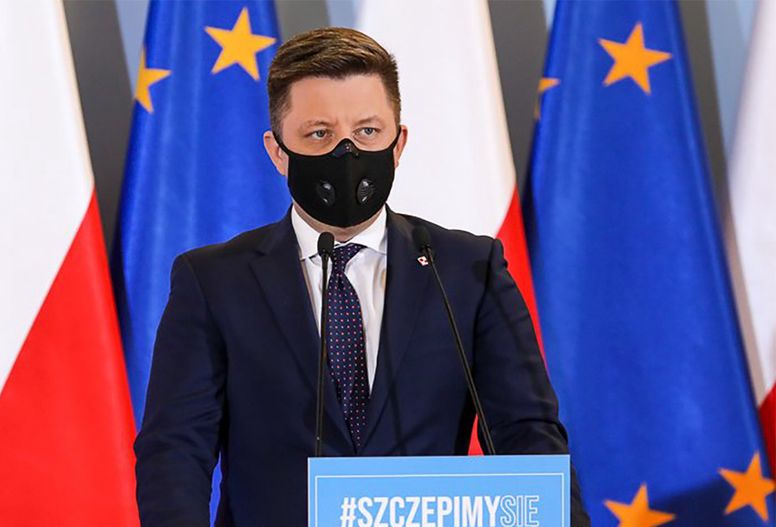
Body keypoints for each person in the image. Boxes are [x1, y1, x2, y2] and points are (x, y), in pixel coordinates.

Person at [134, 27, 590, 526]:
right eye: (319, 134)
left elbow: (528, 435)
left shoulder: (467, 269)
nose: (346, 152)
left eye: (368, 131)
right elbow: (175, 450)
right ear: (277, 151)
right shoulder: (214, 281)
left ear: (398, 144)